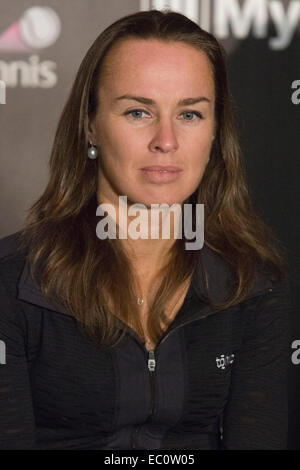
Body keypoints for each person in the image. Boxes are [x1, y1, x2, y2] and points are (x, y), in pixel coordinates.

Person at [0, 9, 292, 450]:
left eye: (190, 115)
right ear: (90, 126)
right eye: (138, 112)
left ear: (216, 133)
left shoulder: (252, 285)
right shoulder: (12, 283)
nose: (167, 141)